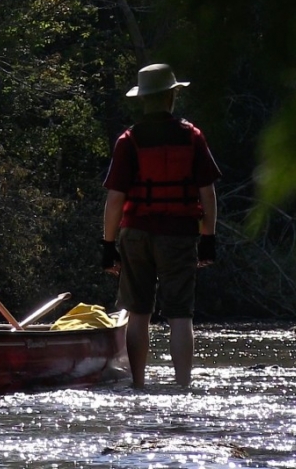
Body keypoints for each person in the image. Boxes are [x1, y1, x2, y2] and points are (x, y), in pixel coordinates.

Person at [100, 63, 221, 388]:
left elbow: (115, 198)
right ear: (171, 96)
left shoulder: (129, 140)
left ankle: (138, 384)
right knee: (180, 314)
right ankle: (183, 386)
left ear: (143, 99)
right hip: (179, 233)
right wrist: (208, 237)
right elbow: (206, 192)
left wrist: (107, 245)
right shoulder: (192, 137)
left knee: (138, 312)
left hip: (136, 232)